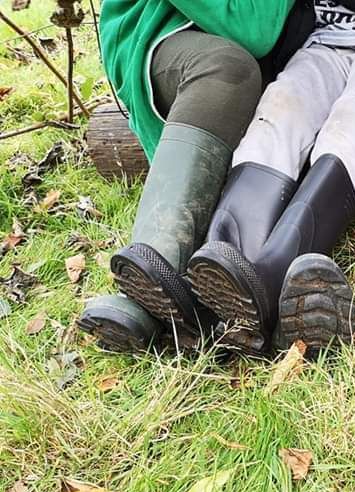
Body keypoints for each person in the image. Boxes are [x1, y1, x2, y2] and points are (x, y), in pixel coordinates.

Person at [185, 1, 355, 355]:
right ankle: (224, 265)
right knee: (277, 116)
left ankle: (268, 281)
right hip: (319, 43)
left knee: (351, 128)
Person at [78, 0, 315, 352]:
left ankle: (214, 295)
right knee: (226, 69)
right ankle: (152, 267)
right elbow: (252, 29)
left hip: (276, 44)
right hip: (161, 36)